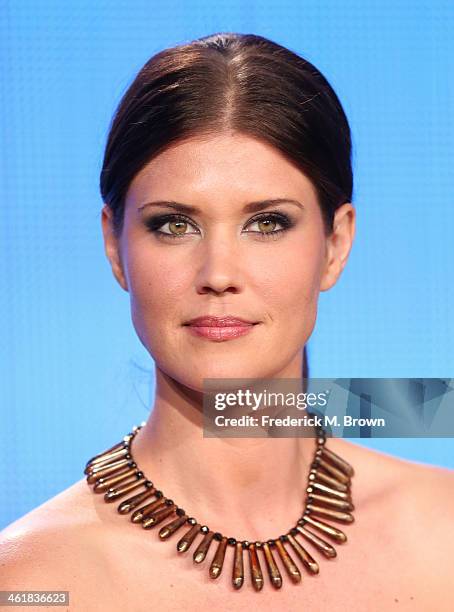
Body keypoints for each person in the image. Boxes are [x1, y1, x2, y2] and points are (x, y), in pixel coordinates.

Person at [1, 32, 453, 611]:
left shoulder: (443, 534)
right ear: (115, 247)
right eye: (172, 225)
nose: (218, 273)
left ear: (336, 244)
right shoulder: (34, 585)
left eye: (266, 223)